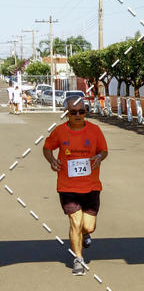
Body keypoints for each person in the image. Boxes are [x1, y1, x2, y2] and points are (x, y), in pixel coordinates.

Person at [43, 94, 108, 276]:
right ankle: (78, 259)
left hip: (91, 186)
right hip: (67, 186)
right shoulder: (59, 132)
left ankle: (86, 235)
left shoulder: (95, 131)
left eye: (82, 111)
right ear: (67, 113)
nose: (78, 115)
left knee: (88, 226)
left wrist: (99, 156)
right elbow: (47, 147)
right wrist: (52, 160)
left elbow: (104, 150)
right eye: (73, 112)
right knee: (75, 222)